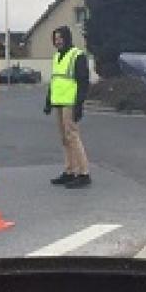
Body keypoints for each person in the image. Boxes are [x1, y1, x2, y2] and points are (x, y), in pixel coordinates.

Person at [44, 25, 91, 188]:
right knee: (65, 139)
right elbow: (54, 80)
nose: (57, 41)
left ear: (67, 38)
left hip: (70, 102)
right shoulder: (57, 56)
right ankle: (70, 170)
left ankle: (84, 173)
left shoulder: (77, 55)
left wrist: (79, 104)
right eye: (55, 39)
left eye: (60, 38)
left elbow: (83, 82)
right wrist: (48, 101)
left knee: (73, 136)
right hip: (58, 102)